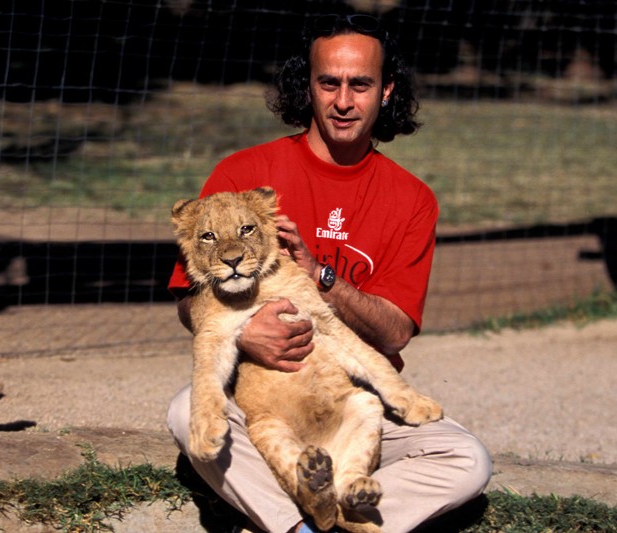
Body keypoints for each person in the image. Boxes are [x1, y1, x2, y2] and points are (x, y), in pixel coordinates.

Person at [166, 13, 492, 533]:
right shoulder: (241, 174)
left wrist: (319, 276)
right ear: (308, 88)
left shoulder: (412, 199)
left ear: (386, 91)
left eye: (360, 84)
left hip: (346, 403)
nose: (344, 101)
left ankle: (305, 518)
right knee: (188, 412)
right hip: (262, 402)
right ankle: (301, 523)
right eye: (329, 83)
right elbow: (188, 303)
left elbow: (394, 330)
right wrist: (246, 335)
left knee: (467, 461)